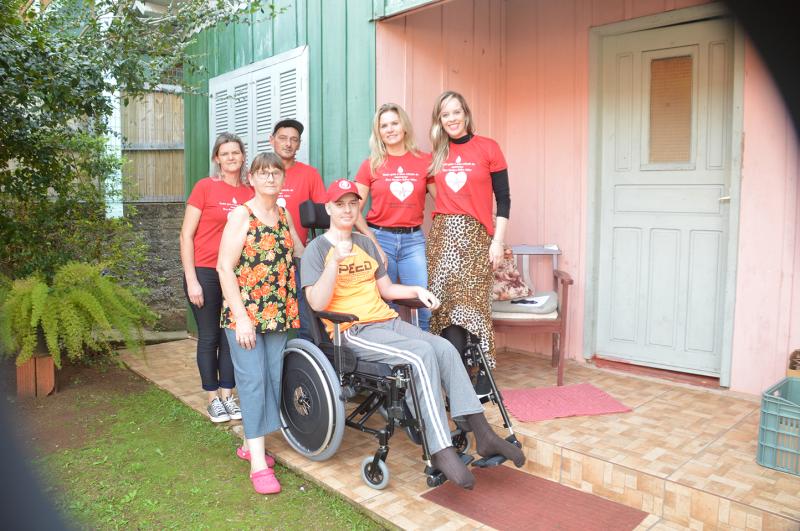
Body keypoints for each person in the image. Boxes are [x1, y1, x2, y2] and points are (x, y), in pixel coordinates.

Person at [301, 179, 524, 490]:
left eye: (353, 203)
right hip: (351, 329)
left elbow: (388, 290)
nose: (348, 209)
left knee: (444, 348)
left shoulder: (365, 245)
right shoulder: (316, 250)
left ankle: (484, 435)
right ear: (328, 208)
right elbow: (316, 302)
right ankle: (441, 449)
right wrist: (335, 263)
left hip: (386, 321)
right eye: (340, 204)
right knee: (420, 356)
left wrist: (418, 290)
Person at [217, 152, 304, 495]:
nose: (270, 178)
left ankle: (249, 444)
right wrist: (241, 318)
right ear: (250, 178)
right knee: (252, 382)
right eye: (262, 173)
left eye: (275, 173)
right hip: (247, 317)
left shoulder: (283, 214)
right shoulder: (242, 214)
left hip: (279, 315)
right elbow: (225, 267)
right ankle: (257, 463)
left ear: (283, 179)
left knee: (271, 379)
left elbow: (300, 251)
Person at [426, 91, 511, 377]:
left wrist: (497, 241)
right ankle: (456, 377)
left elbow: (504, 198)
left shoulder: (489, 148)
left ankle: (481, 374)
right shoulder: (436, 153)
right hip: (443, 238)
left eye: (455, 112)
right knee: (446, 307)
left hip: (476, 237)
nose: (451, 118)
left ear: (466, 114)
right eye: (445, 114)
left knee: (472, 306)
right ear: (440, 119)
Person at [180, 132, 254, 423]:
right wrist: (191, 279)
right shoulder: (205, 188)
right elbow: (186, 235)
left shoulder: (250, 193)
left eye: (236, 152)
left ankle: (228, 395)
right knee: (209, 336)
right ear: (216, 159)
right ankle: (212, 399)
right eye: (225, 154)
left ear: (243, 157)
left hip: (236, 275)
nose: (231, 158)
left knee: (230, 336)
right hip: (205, 272)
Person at [355, 103, 435, 330]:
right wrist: (370, 238)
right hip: (381, 239)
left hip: (413, 241)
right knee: (383, 303)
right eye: (384, 126)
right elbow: (353, 210)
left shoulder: (424, 161)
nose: (390, 129)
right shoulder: (371, 164)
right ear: (378, 132)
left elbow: (444, 200)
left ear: (404, 126)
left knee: (422, 305)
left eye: (394, 123)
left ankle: (425, 358)